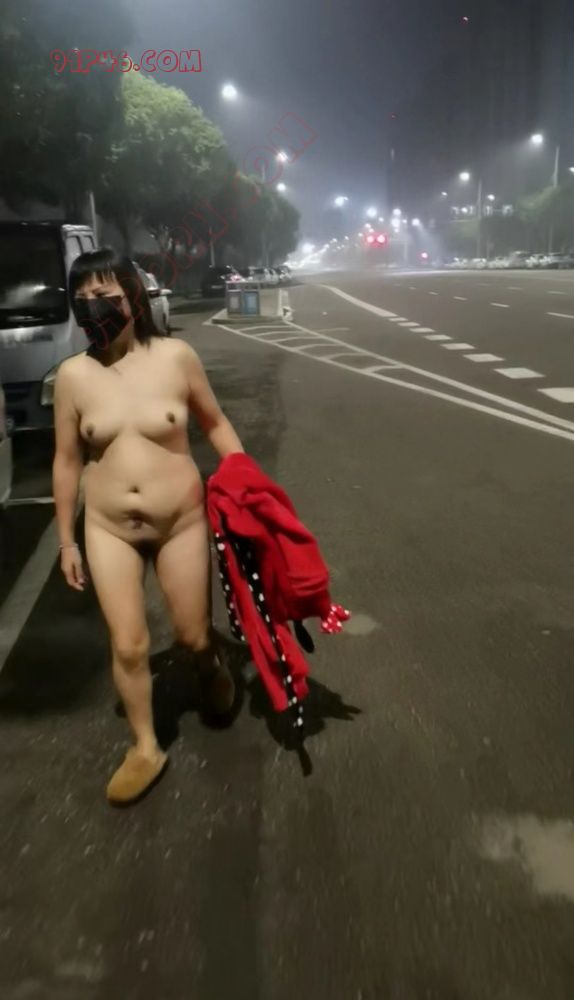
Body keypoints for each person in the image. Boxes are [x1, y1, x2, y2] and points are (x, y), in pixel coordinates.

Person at [52, 248, 244, 805]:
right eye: (81, 299)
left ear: (132, 295)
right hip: (107, 528)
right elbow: (66, 461)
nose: (92, 308)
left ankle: (208, 663)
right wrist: (66, 540)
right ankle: (144, 746)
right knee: (130, 644)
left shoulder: (176, 357)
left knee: (191, 635)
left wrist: (247, 484)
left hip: (181, 521)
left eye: (103, 295)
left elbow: (215, 423)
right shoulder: (73, 376)